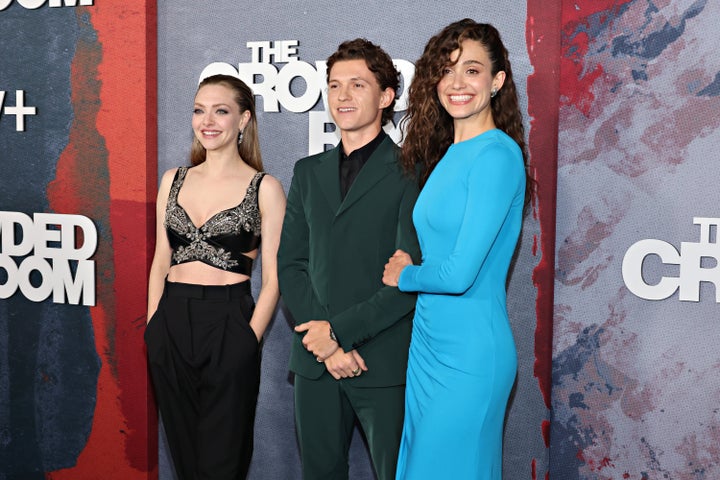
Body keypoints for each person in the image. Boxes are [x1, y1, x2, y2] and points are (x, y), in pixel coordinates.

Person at [382, 19, 533, 480]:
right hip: (429, 344)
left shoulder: (498, 156)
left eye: (472, 70)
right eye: (447, 71)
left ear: (497, 81)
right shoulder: (447, 154)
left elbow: (459, 273)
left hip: (470, 352)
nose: (457, 83)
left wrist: (405, 275)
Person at [277, 39, 420, 480]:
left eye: (357, 84)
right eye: (334, 85)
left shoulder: (412, 172)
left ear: (386, 97)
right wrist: (324, 344)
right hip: (315, 363)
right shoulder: (306, 171)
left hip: (380, 360)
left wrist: (338, 334)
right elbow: (291, 265)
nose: (342, 96)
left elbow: (406, 279)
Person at [144, 74, 286, 479]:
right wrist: (155, 324)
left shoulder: (265, 188)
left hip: (229, 323)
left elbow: (273, 279)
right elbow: (160, 260)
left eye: (220, 110)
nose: (207, 120)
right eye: (198, 109)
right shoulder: (173, 180)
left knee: (224, 459)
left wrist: (248, 338)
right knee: (186, 456)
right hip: (171, 321)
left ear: (243, 120)